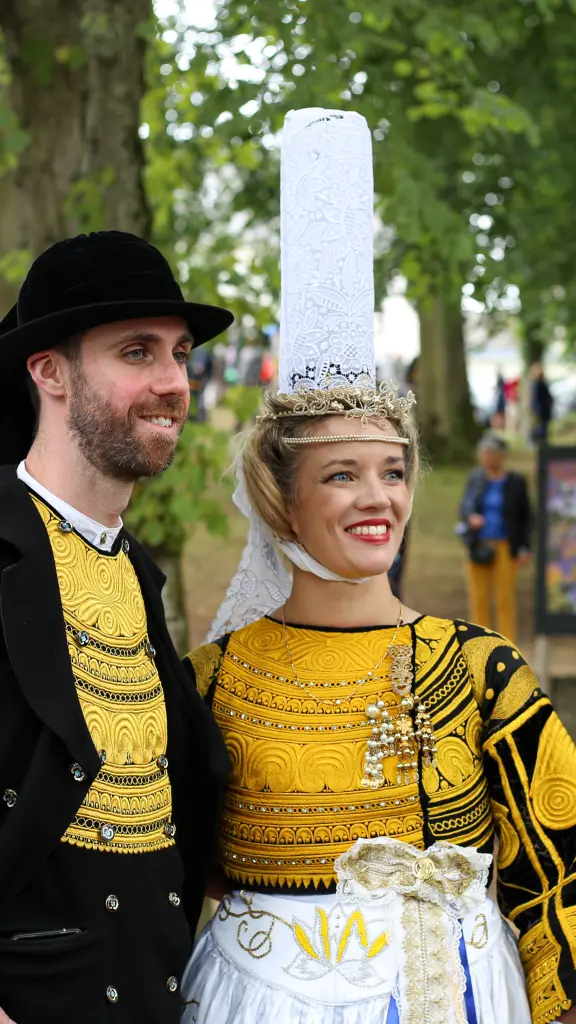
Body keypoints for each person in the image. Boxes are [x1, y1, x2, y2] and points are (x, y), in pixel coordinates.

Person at [180, 109, 576, 1024]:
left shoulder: (476, 670)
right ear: (283, 500)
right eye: (341, 474)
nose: (377, 499)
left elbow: (570, 864)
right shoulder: (215, 678)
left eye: (393, 472)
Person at [0, 231, 232, 1024]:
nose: (173, 383)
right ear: (49, 370)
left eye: (180, 354)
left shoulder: (136, 571)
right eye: (138, 353)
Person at [458, 434, 532, 642]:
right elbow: (464, 506)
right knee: (478, 598)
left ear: (502, 456)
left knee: (504, 598)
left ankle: (506, 644)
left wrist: (524, 547)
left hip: (505, 546)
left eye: (492, 454)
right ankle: (480, 644)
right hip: (478, 544)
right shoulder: (475, 479)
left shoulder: (516, 482)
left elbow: (526, 516)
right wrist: (470, 517)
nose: (488, 458)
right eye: (485, 454)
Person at [530, 361, 554, 444]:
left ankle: (539, 440)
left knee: (543, 426)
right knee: (541, 427)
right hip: (541, 409)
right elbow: (537, 398)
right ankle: (535, 439)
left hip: (544, 409)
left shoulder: (541, 383)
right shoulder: (537, 384)